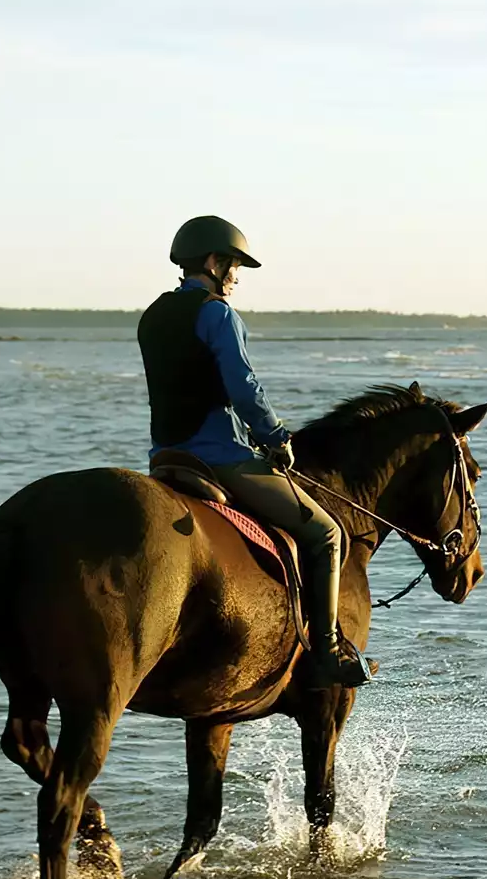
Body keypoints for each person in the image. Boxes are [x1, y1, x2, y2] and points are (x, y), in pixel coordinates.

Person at [138, 215, 371, 687]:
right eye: (234, 266)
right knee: (327, 533)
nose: (237, 277)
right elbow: (244, 388)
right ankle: (326, 649)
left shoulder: (153, 315)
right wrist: (276, 437)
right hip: (220, 459)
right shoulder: (217, 314)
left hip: (167, 456)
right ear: (212, 262)